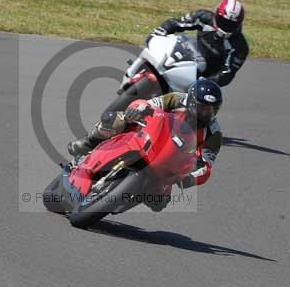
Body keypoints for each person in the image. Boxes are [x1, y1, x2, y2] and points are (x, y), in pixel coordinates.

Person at [68, 79, 223, 209]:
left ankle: (123, 197)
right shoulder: (176, 99)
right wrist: (138, 109)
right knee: (115, 120)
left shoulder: (214, 133)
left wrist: (190, 178)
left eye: (210, 110)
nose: (205, 113)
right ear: (191, 101)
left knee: (159, 202)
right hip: (147, 135)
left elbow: (206, 166)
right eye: (201, 108)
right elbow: (150, 104)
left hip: (169, 161)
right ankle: (88, 143)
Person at [151, 0, 249, 87]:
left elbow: (227, 74)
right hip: (189, 54)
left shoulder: (240, 48)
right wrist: (161, 31)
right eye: (223, 21)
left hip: (202, 78)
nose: (226, 26)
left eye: (231, 24)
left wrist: (205, 82)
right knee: (174, 42)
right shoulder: (203, 17)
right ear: (216, 14)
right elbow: (177, 23)